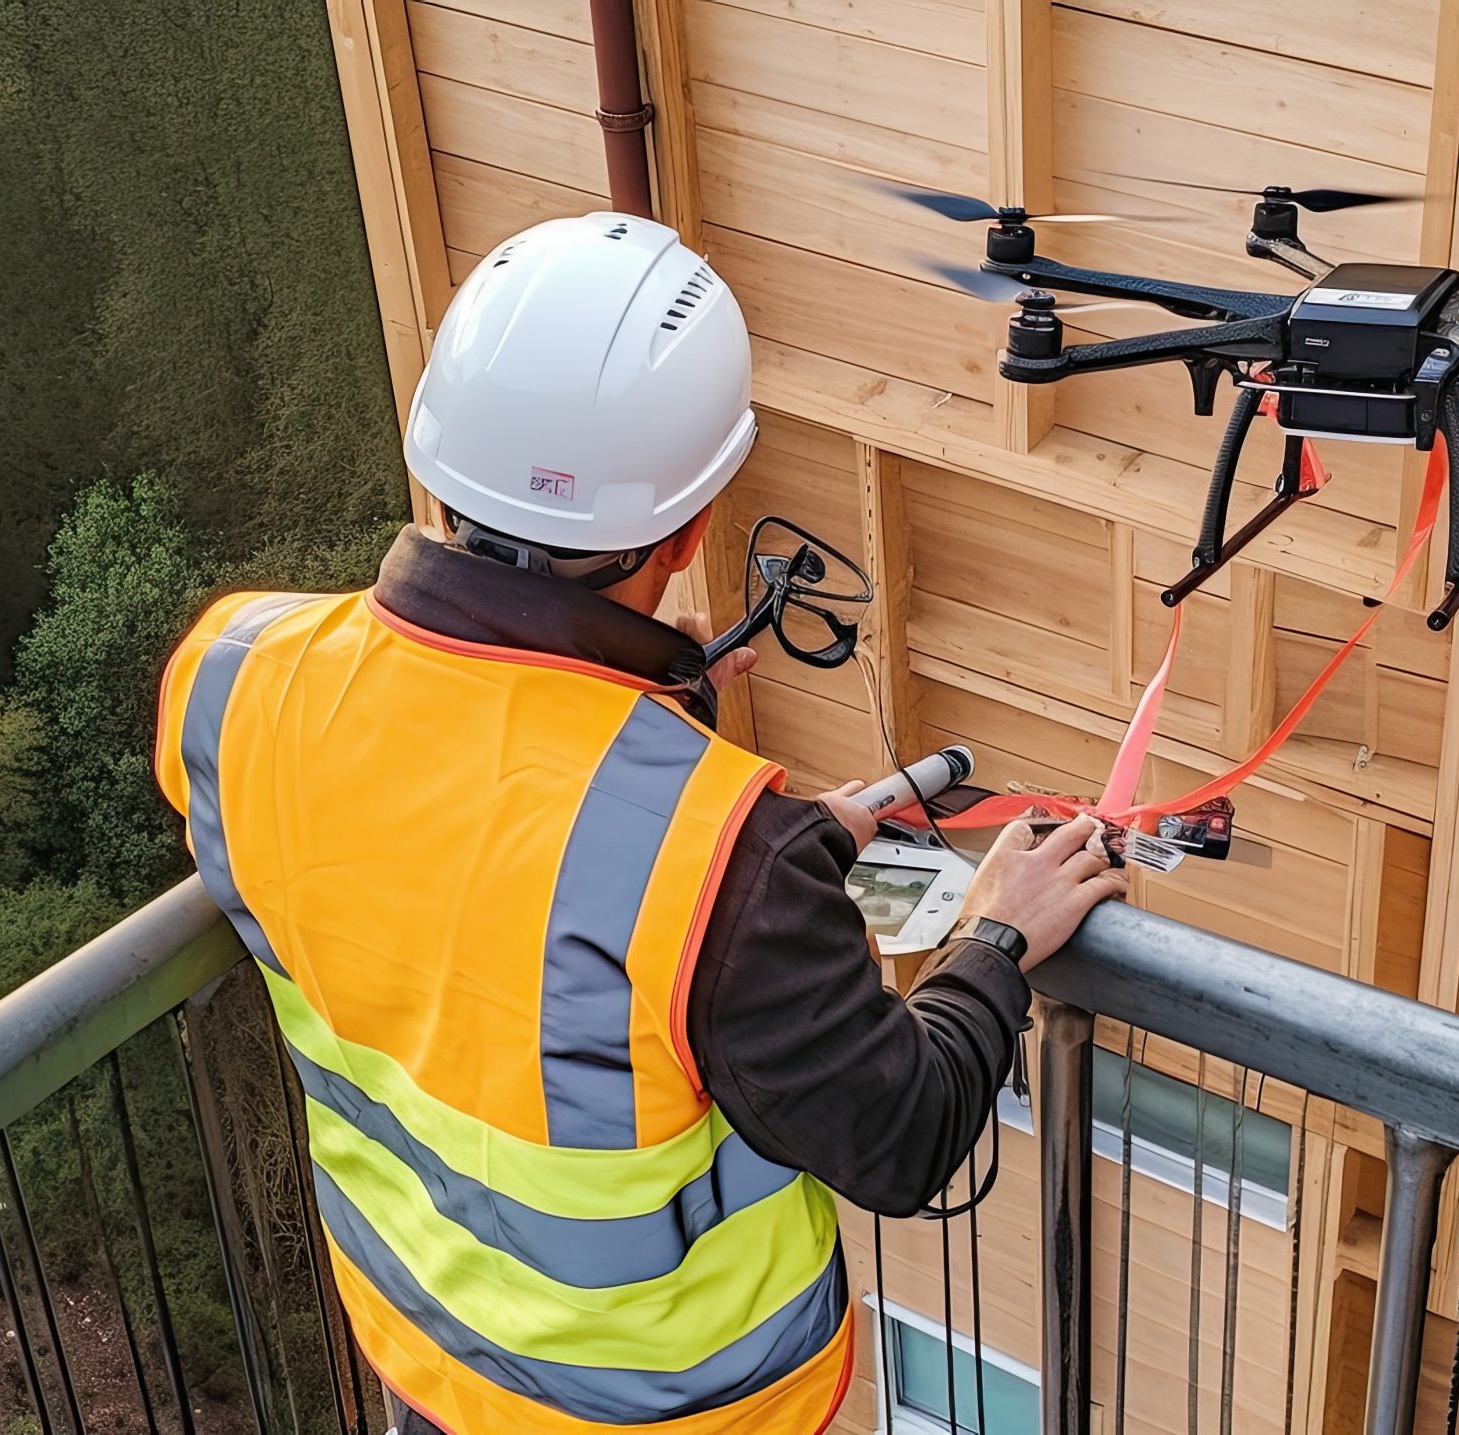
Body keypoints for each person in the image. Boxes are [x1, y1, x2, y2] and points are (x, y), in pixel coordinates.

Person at [153, 211, 1129, 1435]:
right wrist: (991, 937)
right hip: (667, 1411)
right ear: (689, 528)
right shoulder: (714, 853)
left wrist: (748, 875)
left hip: (425, 1357)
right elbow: (898, 1133)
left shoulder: (231, 674)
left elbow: (456, 871)